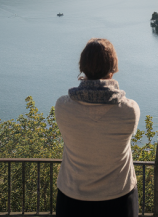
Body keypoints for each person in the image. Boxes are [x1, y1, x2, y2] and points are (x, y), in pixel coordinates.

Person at [54, 38, 141, 216]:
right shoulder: (129, 110)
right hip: (119, 199)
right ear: (112, 68)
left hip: (72, 198)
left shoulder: (63, 106)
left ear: (82, 66)